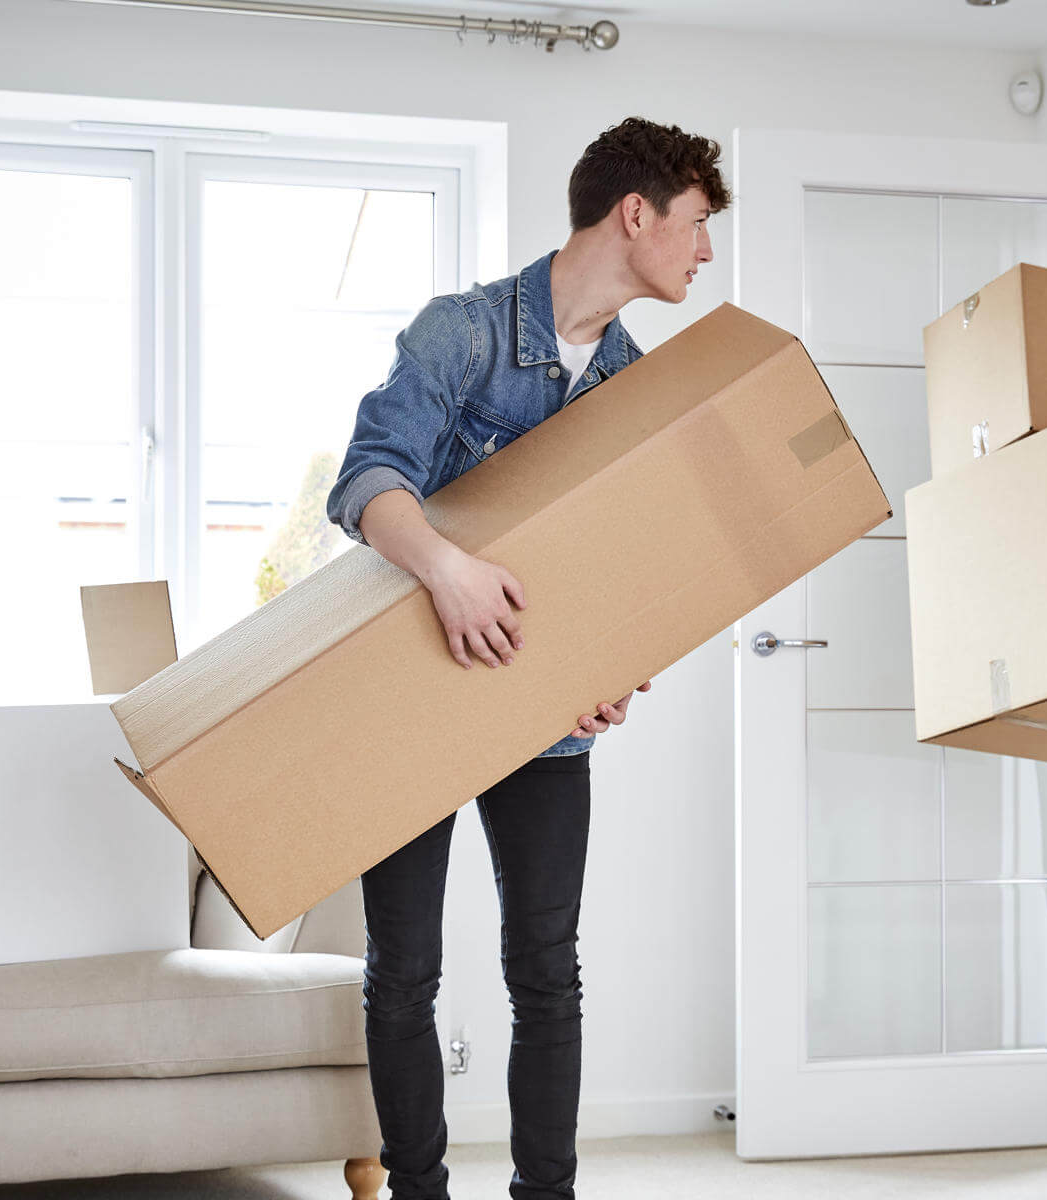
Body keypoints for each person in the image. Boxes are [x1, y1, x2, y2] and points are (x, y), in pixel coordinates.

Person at [323, 116, 729, 1200]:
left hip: (542, 724)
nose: (703, 251)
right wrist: (449, 572)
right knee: (404, 973)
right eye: (695, 225)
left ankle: (546, 1194)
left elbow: (618, 574)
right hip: (406, 699)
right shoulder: (461, 334)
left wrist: (612, 669)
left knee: (547, 972)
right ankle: (416, 1191)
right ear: (634, 215)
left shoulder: (633, 386)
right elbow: (365, 482)